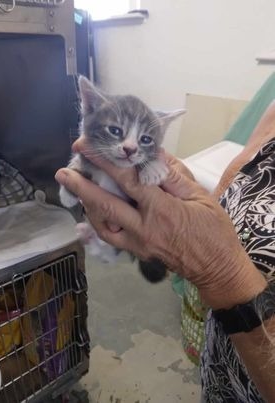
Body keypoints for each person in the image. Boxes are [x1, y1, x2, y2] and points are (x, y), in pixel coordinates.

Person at [55, 101, 275, 402]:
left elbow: (220, 260)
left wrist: (222, 271)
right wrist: (185, 203)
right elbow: (226, 196)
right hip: (223, 367)